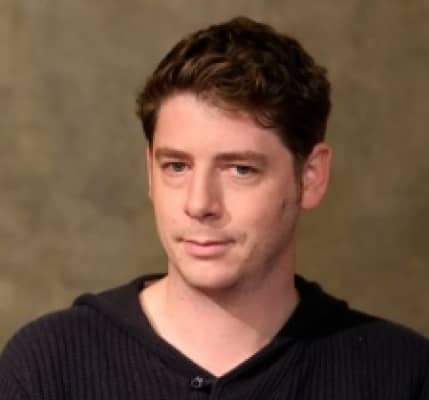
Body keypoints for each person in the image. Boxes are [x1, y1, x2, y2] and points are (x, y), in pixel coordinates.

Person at [0, 16, 428, 400]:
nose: (199, 203)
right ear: (150, 171)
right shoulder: (48, 368)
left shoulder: (401, 375)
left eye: (240, 169)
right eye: (177, 166)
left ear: (311, 176)